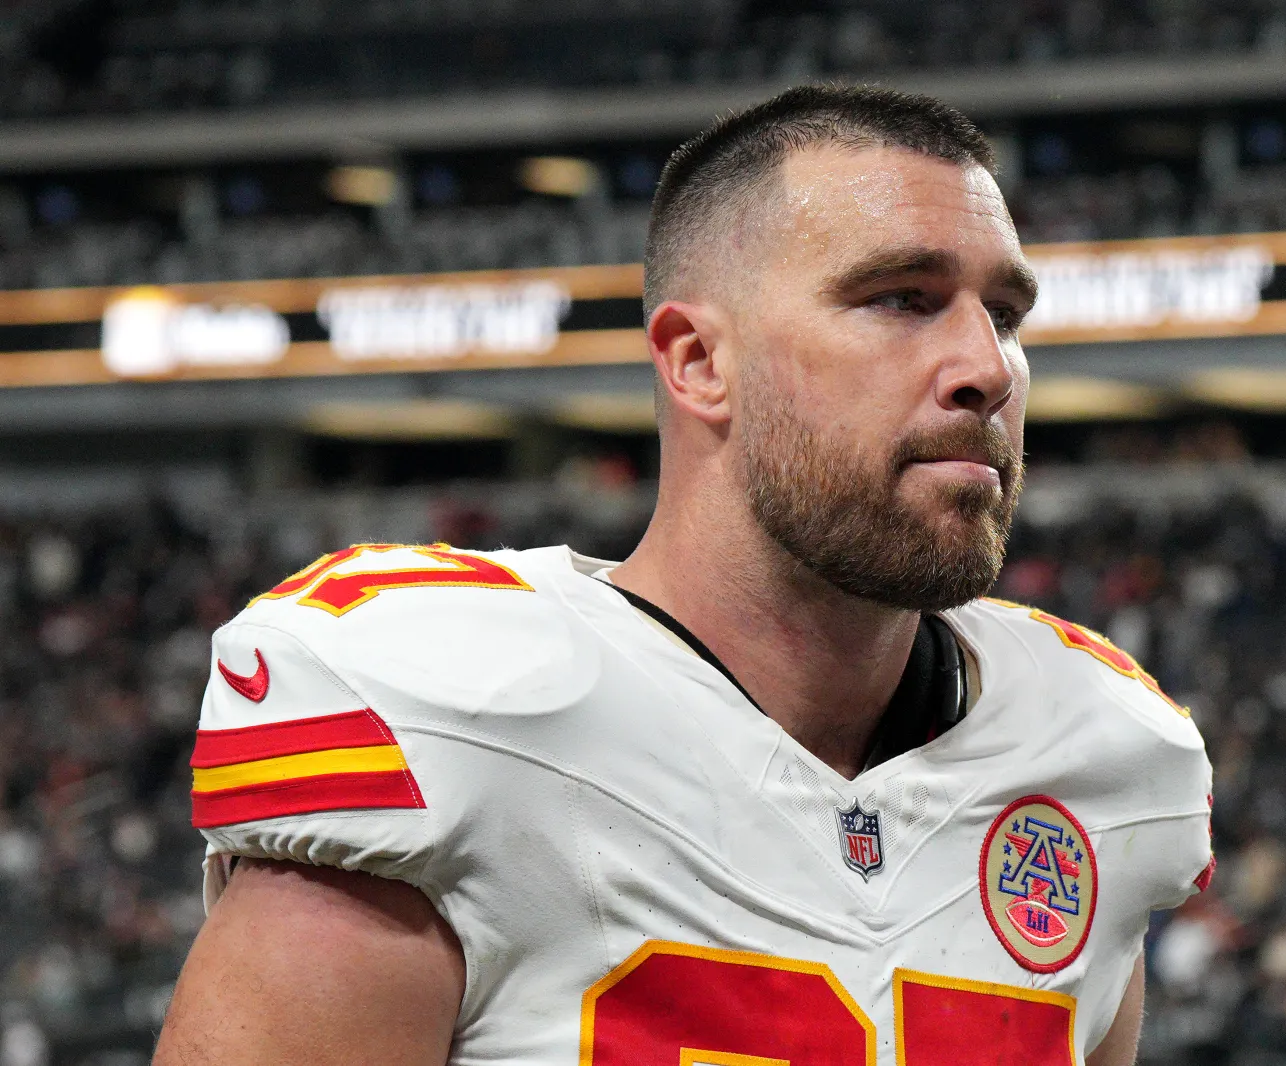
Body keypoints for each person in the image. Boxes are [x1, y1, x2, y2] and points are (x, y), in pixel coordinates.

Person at [153, 85, 1213, 1066]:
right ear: (700, 362)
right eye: (901, 297)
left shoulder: (1101, 753)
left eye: (1006, 314)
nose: (986, 366)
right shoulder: (450, 712)